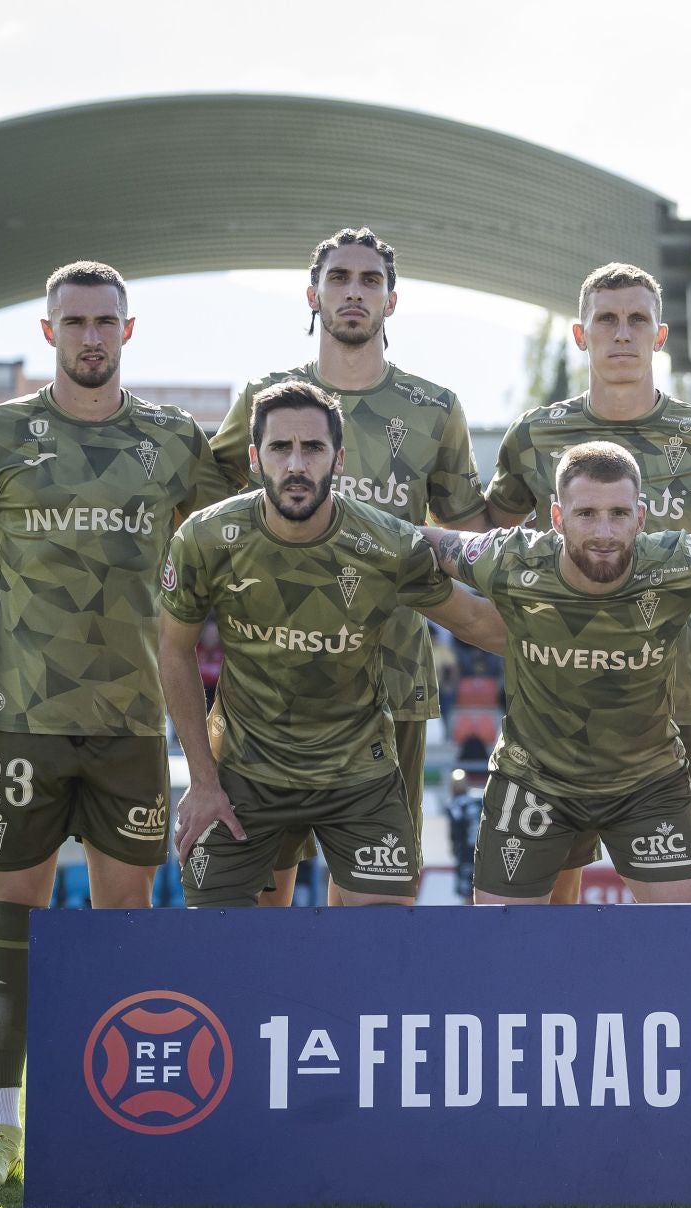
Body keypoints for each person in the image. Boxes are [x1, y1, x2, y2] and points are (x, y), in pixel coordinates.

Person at [0, 261, 213, 1188]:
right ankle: (0, 1135)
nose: (89, 336)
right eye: (72, 321)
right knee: (14, 920)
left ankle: (119, 1126)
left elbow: (225, 555)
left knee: (126, 924)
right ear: (48, 333)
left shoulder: (173, 442)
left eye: (104, 321)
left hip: (131, 727)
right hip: (22, 725)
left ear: (128, 329)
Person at [485, 262, 691, 902]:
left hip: (671, 709)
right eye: (606, 320)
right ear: (581, 336)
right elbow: (484, 550)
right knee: (549, 910)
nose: (622, 334)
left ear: (660, 335)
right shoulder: (533, 440)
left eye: (638, 320)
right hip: (553, 717)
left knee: (682, 924)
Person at [210, 228, 490, 906]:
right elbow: (205, 519)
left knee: (375, 909)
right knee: (255, 903)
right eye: (340, 279)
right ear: (314, 295)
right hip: (269, 691)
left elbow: (473, 540)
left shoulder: (434, 410)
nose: (355, 292)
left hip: (388, 680)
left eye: (370, 281)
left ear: (392, 301)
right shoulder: (264, 400)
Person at [161, 381, 504, 908]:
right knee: (221, 958)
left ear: (338, 458)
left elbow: (480, 623)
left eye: (313, 448)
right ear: (255, 458)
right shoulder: (206, 539)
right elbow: (173, 651)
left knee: (381, 953)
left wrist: (582, 642)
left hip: (358, 776)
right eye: (280, 448)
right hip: (245, 775)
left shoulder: (385, 542)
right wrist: (204, 781)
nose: (296, 464)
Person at [419, 442, 691, 904]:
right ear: (557, 518)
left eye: (618, 513)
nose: (604, 531)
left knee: (689, 941)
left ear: (641, 517)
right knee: (504, 947)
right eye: (586, 514)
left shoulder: (678, 564)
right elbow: (421, 541)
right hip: (536, 780)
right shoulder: (513, 559)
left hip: (647, 781)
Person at [446, 769, 484, 900]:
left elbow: (455, 832)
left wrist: (454, 849)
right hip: (484, 853)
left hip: (466, 855)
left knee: (467, 893)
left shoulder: (454, 805)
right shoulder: (480, 798)